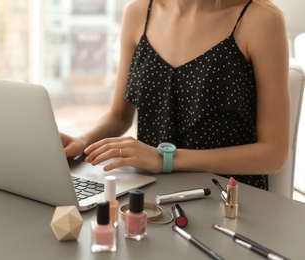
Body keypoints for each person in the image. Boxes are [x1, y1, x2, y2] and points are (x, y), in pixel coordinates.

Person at [61, 0, 290, 191]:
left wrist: (165, 159)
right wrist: (82, 142)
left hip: (228, 199)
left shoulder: (260, 20)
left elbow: (273, 153)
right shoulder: (139, 13)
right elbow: (119, 116)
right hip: (151, 195)